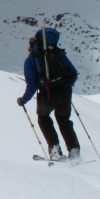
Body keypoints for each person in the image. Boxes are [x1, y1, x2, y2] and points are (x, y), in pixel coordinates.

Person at [16, 30, 81, 161]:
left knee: (43, 118)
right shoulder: (59, 54)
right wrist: (66, 85)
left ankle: (55, 150)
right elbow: (73, 73)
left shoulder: (31, 60)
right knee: (64, 120)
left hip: (48, 93)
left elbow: (32, 85)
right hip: (65, 92)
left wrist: (23, 100)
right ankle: (74, 150)